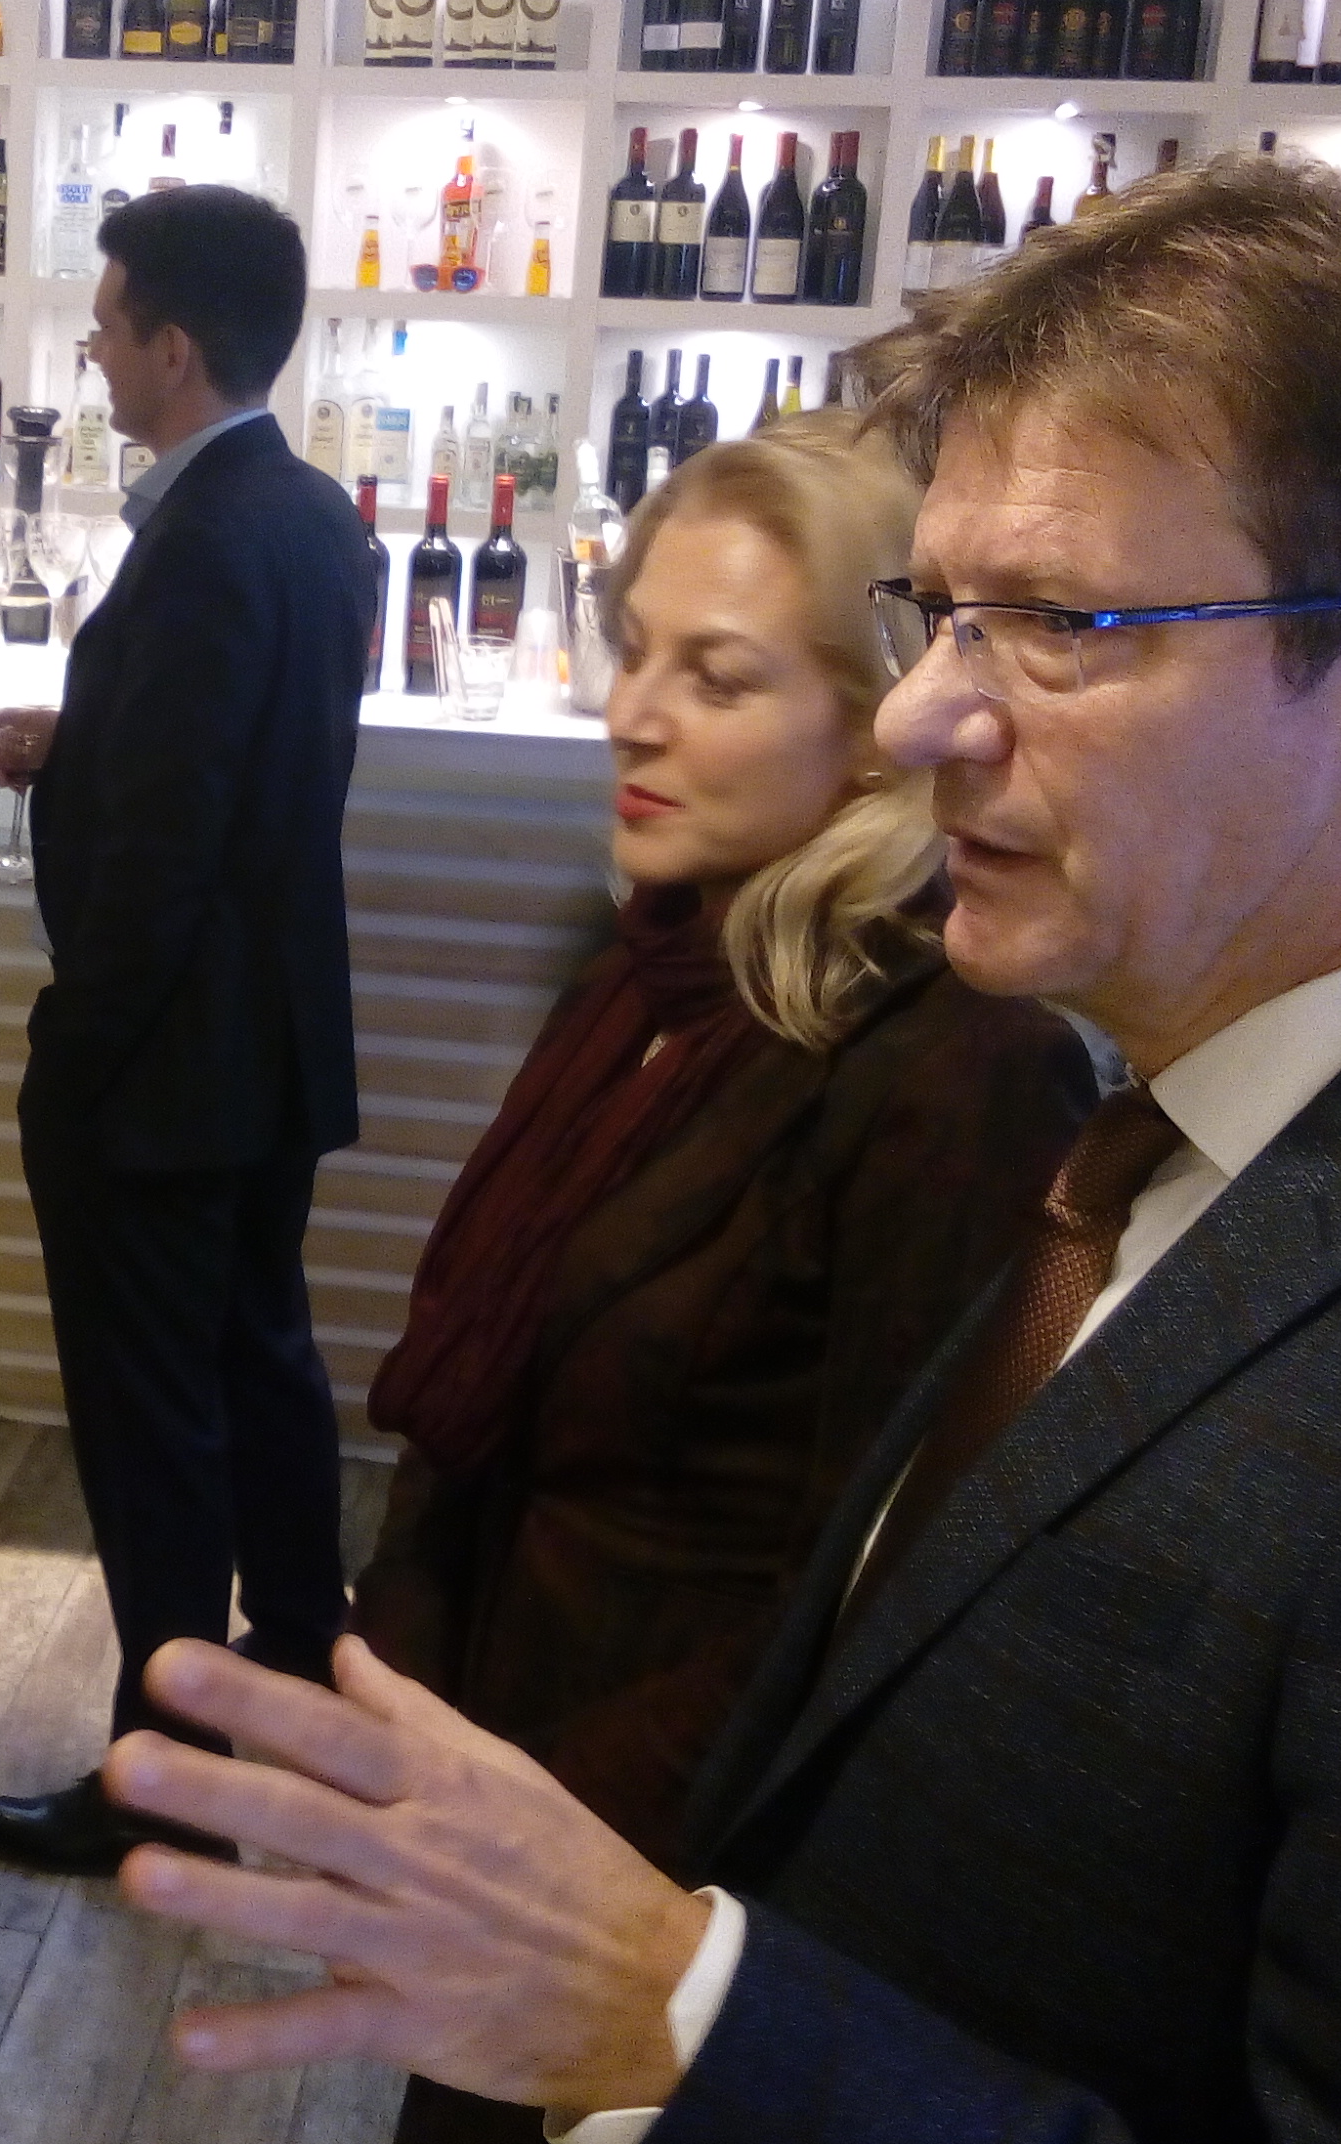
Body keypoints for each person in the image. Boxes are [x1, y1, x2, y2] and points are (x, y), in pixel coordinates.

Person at [88, 156, 1341, 2143]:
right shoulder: (1198, 1117)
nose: (921, 719)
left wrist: (679, 2018)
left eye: (1058, 624)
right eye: (938, 615)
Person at [346, 414, 1093, 2144]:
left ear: (874, 723)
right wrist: (403, 1730)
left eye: (720, 675)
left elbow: (874, 1594)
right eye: (634, 652)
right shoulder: (654, 970)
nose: (633, 713)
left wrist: (555, 1837)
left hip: (670, 1903)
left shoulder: (954, 1065)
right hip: (496, 1814)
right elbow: (488, 1410)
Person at [0, 184, 367, 1877]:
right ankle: (308, 1673)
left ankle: (166, 1765)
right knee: (260, 1362)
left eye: (109, 329)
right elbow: (246, 765)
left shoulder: (200, 538)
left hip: (163, 1067)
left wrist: (76, 1045)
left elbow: (167, 854)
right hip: (273, 1043)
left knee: (152, 1426)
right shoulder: (313, 515)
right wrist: (87, 736)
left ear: (175, 348)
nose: (95, 356)